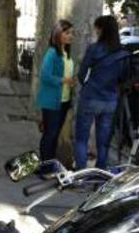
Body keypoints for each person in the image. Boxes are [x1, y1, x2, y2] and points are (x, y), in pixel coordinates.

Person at [74, 15, 129, 170]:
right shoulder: (123, 53)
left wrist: (87, 85)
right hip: (110, 101)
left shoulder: (94, 49)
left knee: (81, 138)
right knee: (103, 141)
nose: (96, 31)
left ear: (102, 29)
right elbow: (123, 78)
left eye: (97, 27)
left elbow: (81, 74)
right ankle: (100, 175)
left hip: (90, 97)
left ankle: (81, 174)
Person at [36, 19, 76, 175]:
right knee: (50, 135)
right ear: (58, 34)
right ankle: (44, 169)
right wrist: (63, 80)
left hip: (64, 101)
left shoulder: (67, 53)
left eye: (72, 33)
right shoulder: (52, 53)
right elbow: (45, 76)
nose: (71, 35)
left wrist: (71, 81)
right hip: (51, 101)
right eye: (67, 33)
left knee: (53, 135)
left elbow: (65, 74)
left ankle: (48, 165)